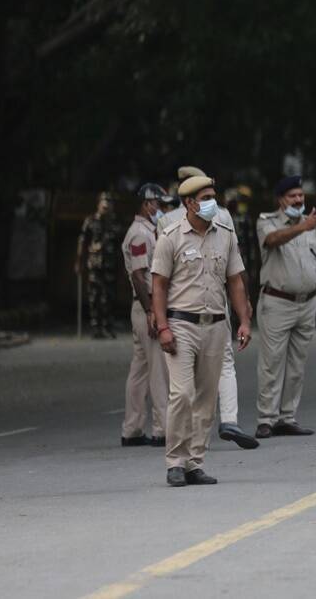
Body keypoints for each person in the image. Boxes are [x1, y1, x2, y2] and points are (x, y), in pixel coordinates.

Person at [151, 176, 253, 487]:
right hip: (181, 325)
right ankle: (175, 461)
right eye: (206, 197)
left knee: (206, 398)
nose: (213, 202)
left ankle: (195, 462)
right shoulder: (170, 237)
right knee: (182, 394)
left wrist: (244, 321)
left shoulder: (224, 235)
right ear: (189, 202)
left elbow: (235, 280)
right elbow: (159, 284)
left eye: (213, 196)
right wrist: (163, 327)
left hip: (216, 324)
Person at [254, 176, 316, 438]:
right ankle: (265, 419)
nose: (298, 200)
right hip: (277, 302)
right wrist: (303, 226)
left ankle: (286, 417)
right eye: (292, 196)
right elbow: (272, 241)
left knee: (296, 365)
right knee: (271, 363)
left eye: (301, 195)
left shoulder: (312, 226)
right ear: (281, 199)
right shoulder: (266, 221)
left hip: (307, 303)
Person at [119, 183, 169, 447]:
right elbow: (139, 276)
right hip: (147, 307)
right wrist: (152, 311)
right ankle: (162, 429)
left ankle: (132, 428)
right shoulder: (140, 234)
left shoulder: (148, 231)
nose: (161, 209)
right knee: (158, 370)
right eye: (159, 205)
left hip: (143, 308)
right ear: (147, 204)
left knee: (139, 371)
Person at [77, 192, 121, 339]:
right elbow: (82, 241)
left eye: (109, 203)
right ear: (99, 204)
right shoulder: (90, 221)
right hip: (94, 264)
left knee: (108, 297)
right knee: (94, 297)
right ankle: (96, 327)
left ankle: (108, 327)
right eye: (104, 203)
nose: (106, 206)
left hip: (110, 264)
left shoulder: (115, 222)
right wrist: (79, 261)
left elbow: (121, 244)